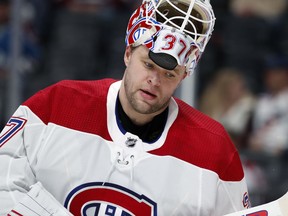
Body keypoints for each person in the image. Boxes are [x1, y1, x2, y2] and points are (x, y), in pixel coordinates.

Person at [0, 0, 250, 215]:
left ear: (184, 76)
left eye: (170, 74)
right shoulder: (55, 106)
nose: (155, 80)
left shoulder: (215, 152)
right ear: (128, 53)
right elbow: (4, 184)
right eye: (149, 65)